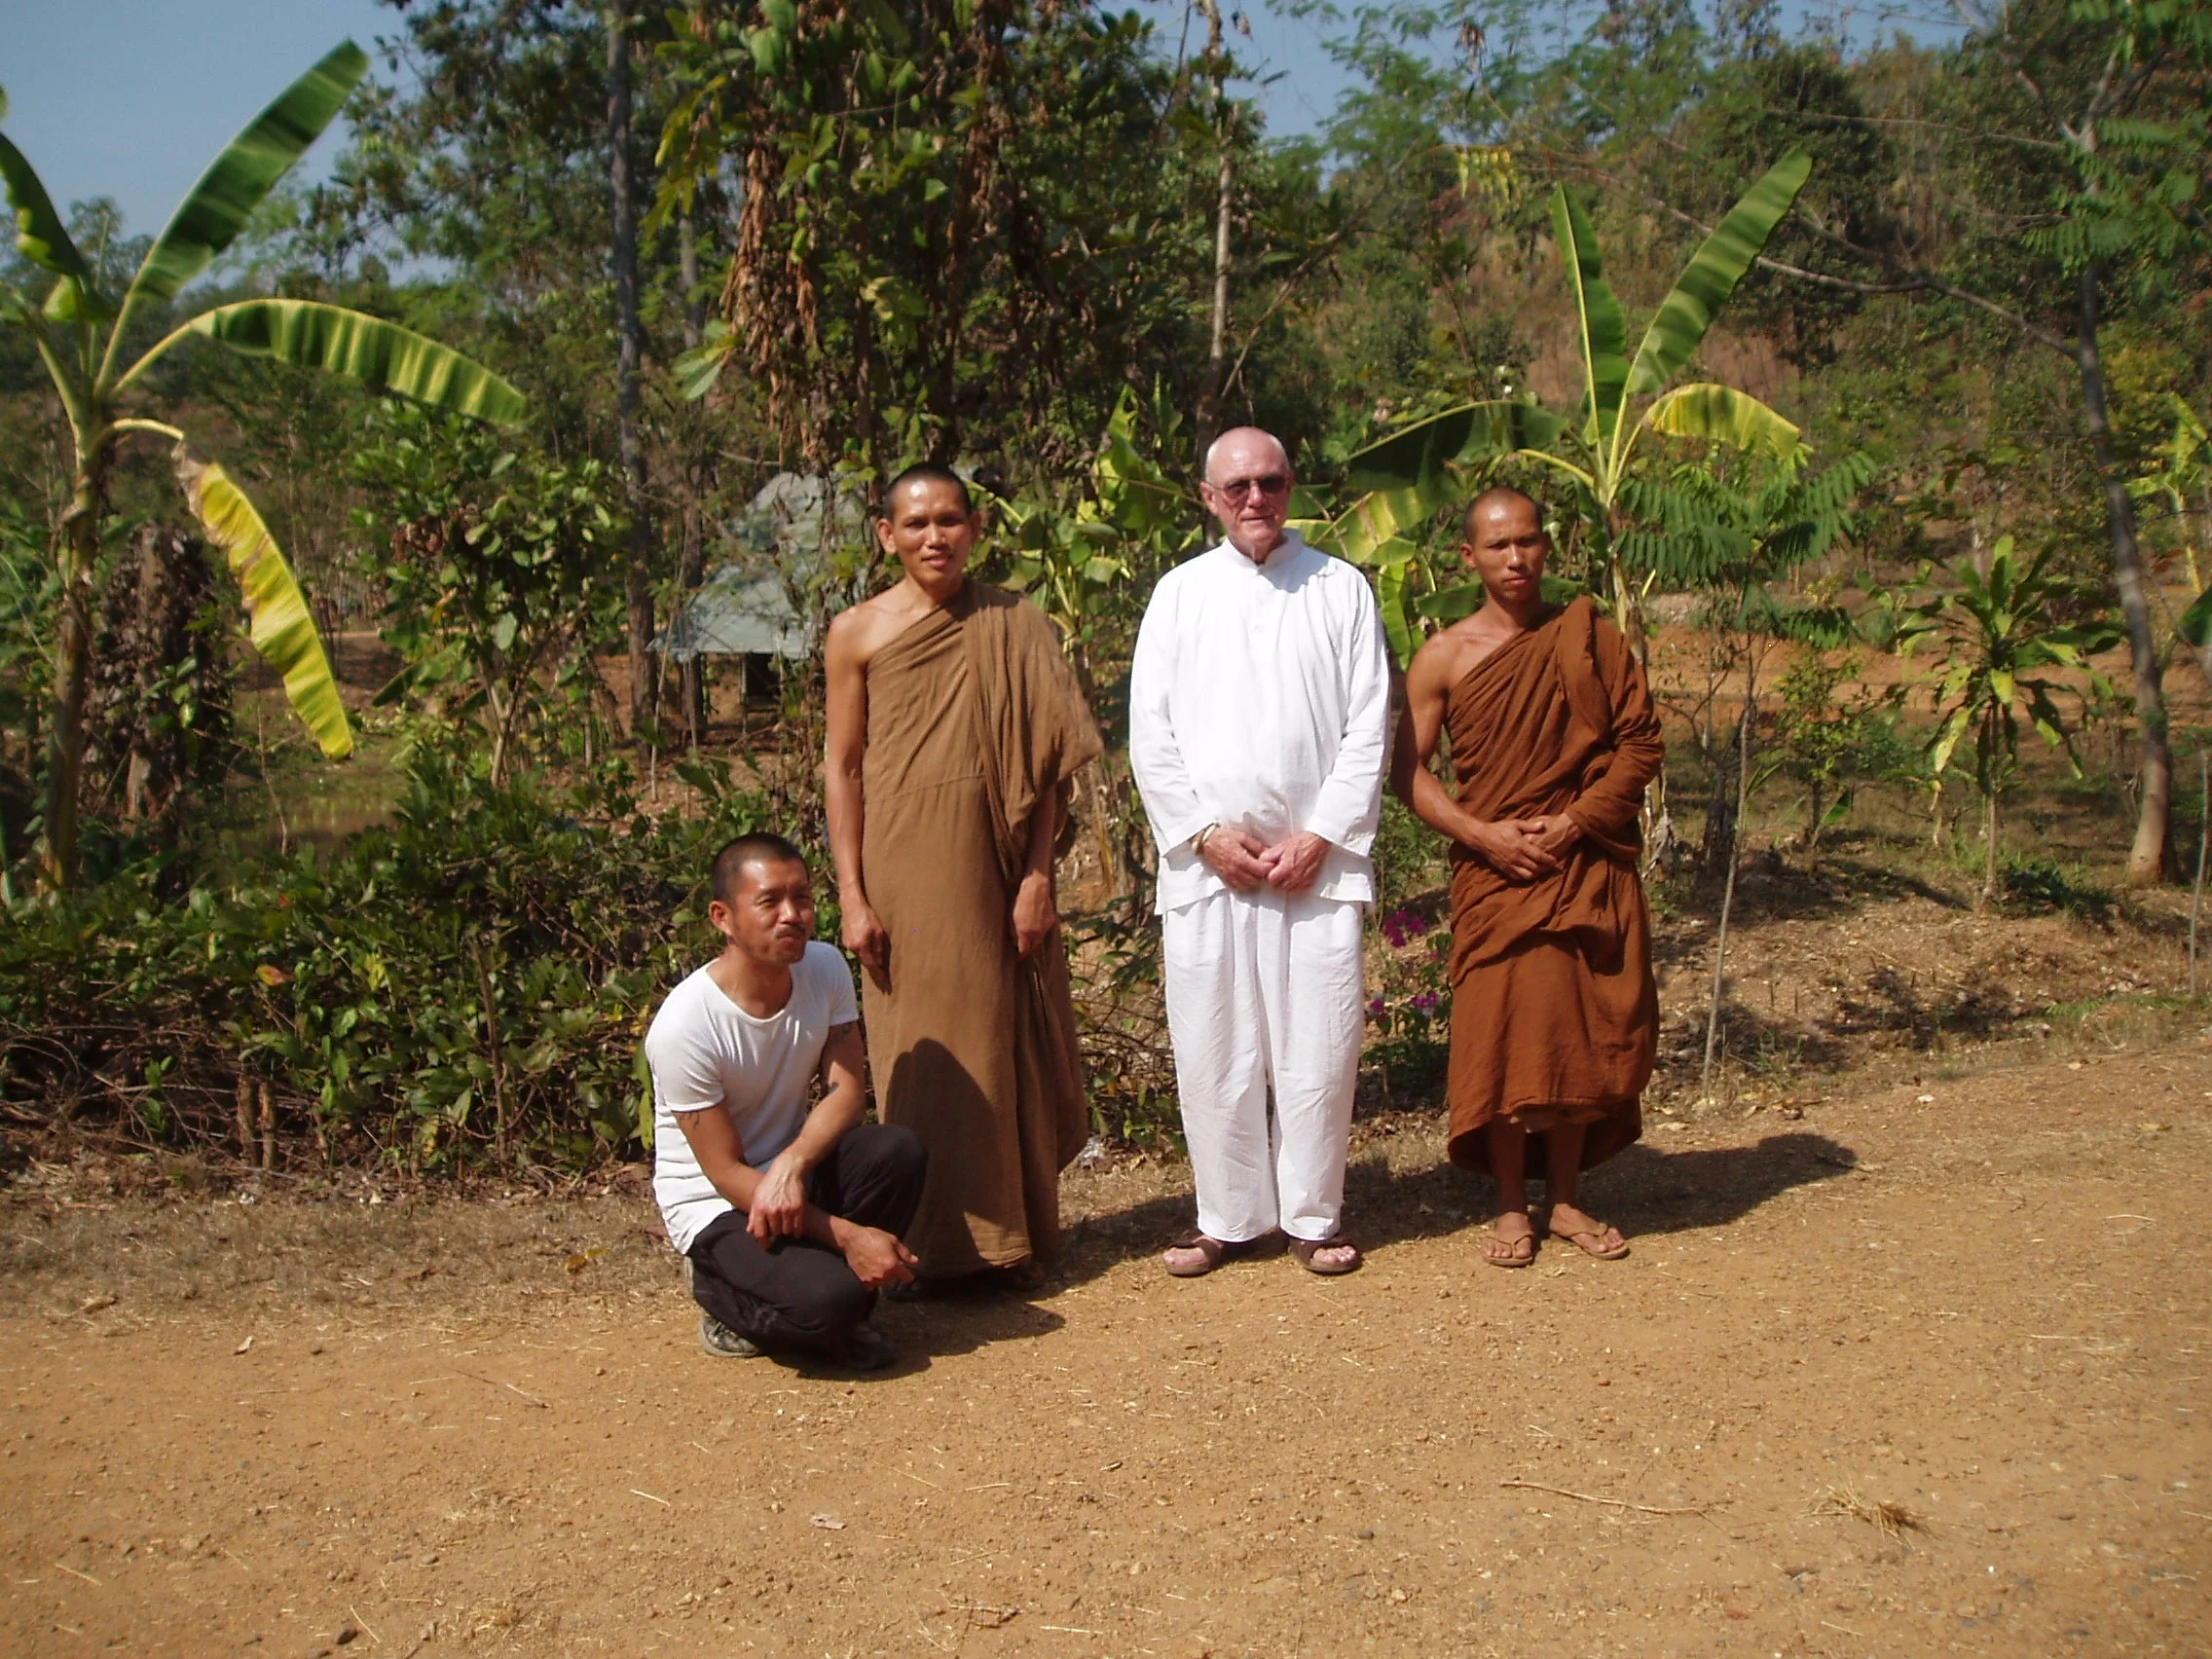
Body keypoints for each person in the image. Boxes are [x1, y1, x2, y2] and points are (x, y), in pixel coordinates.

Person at [824, 463, 1103, 1290]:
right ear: (886, 535)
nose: (934, 537)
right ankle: (928, 1246)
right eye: (915, 524)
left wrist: (1038, 878)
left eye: (949, 520)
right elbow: (843, 768)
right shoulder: (858, 632)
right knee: (922, 1048)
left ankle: (1005, 1239)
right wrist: (850, 892)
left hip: (996, 860)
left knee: (994, 1033)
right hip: (902, 865)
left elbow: (1050, 767)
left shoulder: (1014, 622)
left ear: (975, 527)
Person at [1128, 426, 1391, 1277]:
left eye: (1270, 482)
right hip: (1210, 868)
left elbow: (1367, 725)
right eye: (1236, 485)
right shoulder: (1178, 596)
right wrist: (1204, 835)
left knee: (1317, 1049)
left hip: (1315, 867)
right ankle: (1228, 1216)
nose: (1254, 499)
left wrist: (1322, 835)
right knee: (1214, 1047)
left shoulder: (1341, 589)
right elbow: (1149, 735)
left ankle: (1314, 1216)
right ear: (1208, 498)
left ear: (1291, 488)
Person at [1390, 486, 1664, 1267]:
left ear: (1547, 548)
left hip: (1579, 864)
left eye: (1529, 542)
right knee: (1504, 1037)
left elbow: (1641, 744)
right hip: (1496, 875)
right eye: (1499, 545)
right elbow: (1406, 772)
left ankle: (1567, 1199)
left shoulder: (1588, 638)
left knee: (1576, 1031)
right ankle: (1512, 1205)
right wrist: (1485, 837)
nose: (1517, 559)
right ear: (1468, 557)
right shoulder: (1443, 656)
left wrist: (1577, 821)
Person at [644, 832, 926, 1369]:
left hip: (787, 1172)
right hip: (716, 1203)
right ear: (722, 918)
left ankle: (838, 1305)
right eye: (770, 902)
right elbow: (725, 1172)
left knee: (897, 1151)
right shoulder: (685, 1027)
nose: (792, 916)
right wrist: (847, 1234)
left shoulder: (824, 968)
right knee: (827, 1304)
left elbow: (847, 1093)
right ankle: (720, 1290)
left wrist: (793, 1163)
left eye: (802, 898)